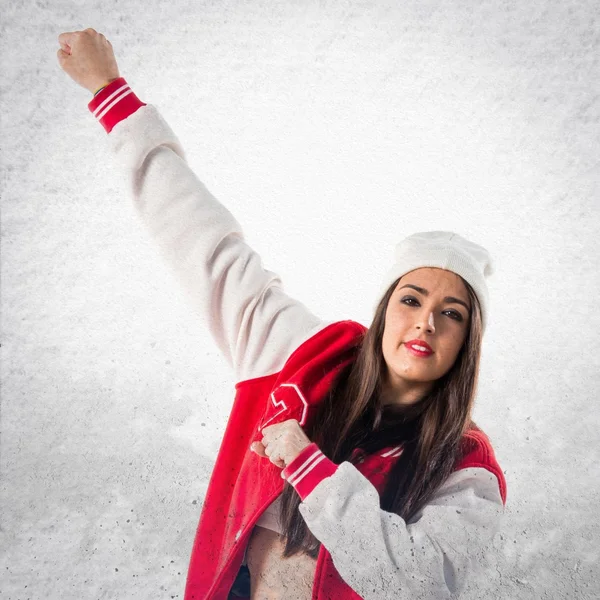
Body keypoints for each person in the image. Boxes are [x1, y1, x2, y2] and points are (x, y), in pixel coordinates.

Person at [57, 28, 507, 600]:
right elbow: (204, 241)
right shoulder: (299, 354)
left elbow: (416, 583)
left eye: (453, 314)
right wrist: (110, 93)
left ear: (469, 343)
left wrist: (308, 465)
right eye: (411, 299)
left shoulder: (469, 466)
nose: (425, 323)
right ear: (385, 309)